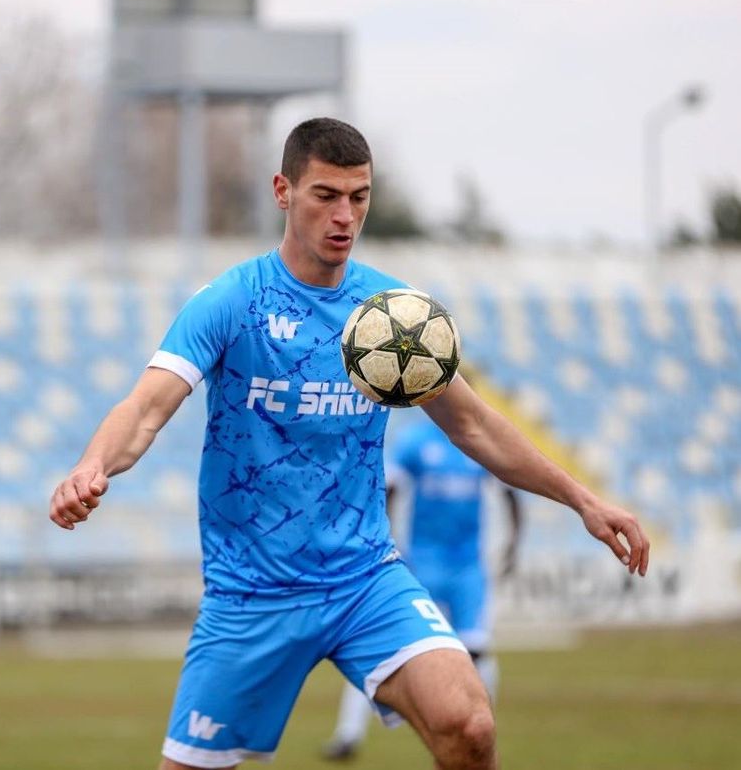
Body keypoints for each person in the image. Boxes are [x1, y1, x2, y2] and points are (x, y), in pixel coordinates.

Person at [48, 117, 649, 770]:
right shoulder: (232, 302)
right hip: (254, 594)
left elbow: (473, 424)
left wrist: (584, 500)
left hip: (364, 579)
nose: (345, 216)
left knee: (470, 724)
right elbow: (144, 410)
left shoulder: (391, 315)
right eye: (326, 195)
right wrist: (91, 466)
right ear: (283, 191)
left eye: (359, 197)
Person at [322, 416, 523, 762]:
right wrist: (381, 538)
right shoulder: (415, 441)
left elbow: (510, 491)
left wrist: (513, 544)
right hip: (421, 562)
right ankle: (348, 735)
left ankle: (483, 729)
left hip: (467, 567)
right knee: (376, 649)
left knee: (477, 649)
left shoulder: (476, 440)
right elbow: (390, 488)